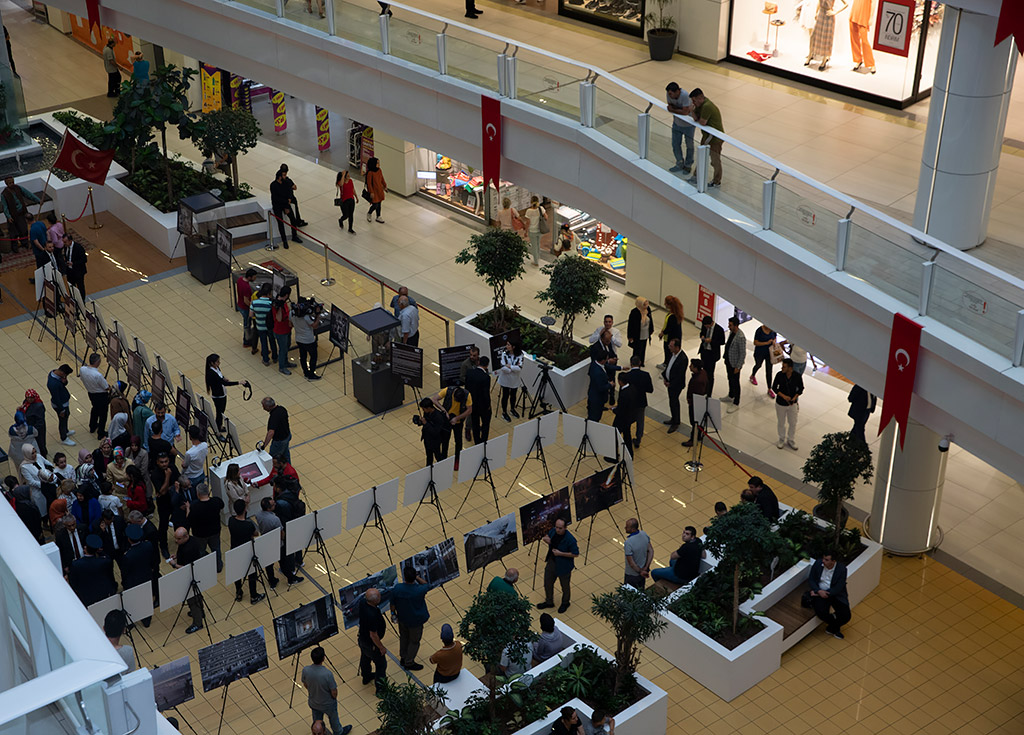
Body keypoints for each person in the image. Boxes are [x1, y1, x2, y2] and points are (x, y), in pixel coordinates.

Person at [301, 647, 353, 735]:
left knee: (317, 719)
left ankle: (318, 732)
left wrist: (313, 691)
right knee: (334, 720)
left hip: (314, 702)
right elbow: (334, 692)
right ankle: (339, 732)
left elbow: (305, 684)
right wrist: (333, 698)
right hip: (328, 704)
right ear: (323, 658)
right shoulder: (327, 674)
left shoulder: (306, 670)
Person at [392, 565, 430, 671]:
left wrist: (393, 614)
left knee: (404, 638)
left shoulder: (397, 588)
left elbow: (392, 603)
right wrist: (417, 577)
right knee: (414, 641)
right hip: (416, 621)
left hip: (402, 619)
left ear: (404, 577)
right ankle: (409, 662)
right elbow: (427, 584)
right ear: (414, 577)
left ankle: (403, 657)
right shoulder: (419, 590)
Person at [228, 499, 265, 604]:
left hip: (235, 550)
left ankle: (239, 593)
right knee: (252, 573)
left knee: (237, 574)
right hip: (247, 551)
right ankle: (253, 596)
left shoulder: (231, 521)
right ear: (245, 509)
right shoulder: (248, 525)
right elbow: (255, 533)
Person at [169, 527, 206, 634]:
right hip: (195, 574)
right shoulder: (192, 540)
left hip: (189, 577)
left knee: (192, 600)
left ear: (186, 536)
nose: (176, 541)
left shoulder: (188, 549)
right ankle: (201, 612)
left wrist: (174, 564)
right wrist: (177, 556)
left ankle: (197, 623)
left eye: (179, 539)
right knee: (198, 596)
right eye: (176, 538)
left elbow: (187, 567)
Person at [537, 518, 579, 613]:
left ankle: (565, 602)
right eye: (556, 527)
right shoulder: (553, 531)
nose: (558, 530)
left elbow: (575, 554)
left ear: (565, 528)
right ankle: (549, 601)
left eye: (560, 528)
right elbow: (548, 536)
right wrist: (547, 539)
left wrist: (560, 553)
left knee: (565, 586)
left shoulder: (570, 539)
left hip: (564, 565)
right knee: (547, 582)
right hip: (552, 561)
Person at [807, 551, 851, 639]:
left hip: (835, 594)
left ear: (833, 561)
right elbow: (811, 579)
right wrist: (818, 591)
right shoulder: (818, 564)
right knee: (821, 612)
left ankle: (832, 627)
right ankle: (835, 627)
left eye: (826, 560)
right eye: (823, 558)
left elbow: (839, 586)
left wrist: (827, 593)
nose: (823, 561)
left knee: (846, 616)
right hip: (819, 593)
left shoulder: (842, 569)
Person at [68, 534, 117, 606]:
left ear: (85, 548)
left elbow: (73, 584)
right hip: (104, 594)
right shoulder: (105, 561)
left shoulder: (76, 565)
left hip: (86, 597)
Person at [689, 88, 724, 187]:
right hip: (707, 137)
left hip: (715, 139)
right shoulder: (700, 106)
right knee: (701, 155)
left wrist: (694, 114)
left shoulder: (707, 106)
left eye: (694, 101)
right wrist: (692, 112)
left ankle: (717, 181)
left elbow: (702, 122)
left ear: (700, 98)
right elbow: (696, 118)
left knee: (715, 160)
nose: (693, 103)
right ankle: (696, 176)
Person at [205, 353, 247, 434]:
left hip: (222, 393)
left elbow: (220, 377)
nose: (219, 363)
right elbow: (224, 383)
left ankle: (218, 424)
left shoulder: (216, 368)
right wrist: (239, 382)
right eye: (217, 362)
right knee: (220, 412)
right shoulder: (211, 373)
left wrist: (224, 378)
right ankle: (218, 427)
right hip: (218, 396)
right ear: (211, 363)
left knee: (221, 411)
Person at [187, 484, 225, 572]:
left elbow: (189, 520)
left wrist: (188, 509)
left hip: (200, 534)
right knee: (216, 549)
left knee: (201, 551)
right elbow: (222, 505)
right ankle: (218, 567)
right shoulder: (216, 501)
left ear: (198, 494)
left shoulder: (194, 506)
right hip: (215, 531)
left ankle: (203, 569)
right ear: (208, 492)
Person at [150, 453, 180, 559]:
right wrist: (167, 478)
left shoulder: (172, 467)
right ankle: (163, 546)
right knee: (163, 525)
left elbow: (178, 481)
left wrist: (167, 488)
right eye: (162, 462)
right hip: (164, 503)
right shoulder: (155, 474)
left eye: (166, 461)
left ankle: (180, 538)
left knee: (178, 520)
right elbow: (162, 492)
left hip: (175, 501)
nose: (164, 464)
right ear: (157, 462)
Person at [357, 588, 387, 688]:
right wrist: (381, 647)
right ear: (375, 600)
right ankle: (380, 689)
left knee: (365, 658)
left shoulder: (362, 603)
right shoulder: (372, 615)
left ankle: (366, 676)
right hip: (371, 644)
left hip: (362, 638)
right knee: (381, 665)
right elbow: (373, 635)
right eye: (379, 596)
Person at [772, 358, 804, 450]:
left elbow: (801, 388)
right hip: (781, 403)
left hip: (792, 404)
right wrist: (783, 396)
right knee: (781, 422)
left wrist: (794, 397)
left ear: (790, 368)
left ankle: (791, 439)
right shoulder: (779, 375)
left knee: (793, 422)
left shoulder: (797, 376)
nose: (782, 368)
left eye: (784, 367)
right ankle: (781, 439)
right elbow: (774, 387)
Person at [2, 176, 38, 253]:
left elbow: (28, 194)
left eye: (12, 182)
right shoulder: (4, 194)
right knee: (13, 233)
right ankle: (15, 248)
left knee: (24, 230)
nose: (11, 184)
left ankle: (25, 244)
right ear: (6, 184)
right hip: (12, 216)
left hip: (22, 214)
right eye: (9, 183)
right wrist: (8, 216)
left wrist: (38, 200)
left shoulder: (18, 188)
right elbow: (5, 207)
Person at [624, 356, 653, 449]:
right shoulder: (646, 375)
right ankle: (638, 439)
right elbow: (650, 389)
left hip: (630, 403)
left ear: (631, 363)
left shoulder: (627, 376)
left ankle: (626, 438)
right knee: (640, 421)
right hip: (641, 401)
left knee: (627, 419)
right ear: (640, 363)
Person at [665, 81, 694, 174]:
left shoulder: (685, 95)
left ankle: (688, 165)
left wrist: (674, 110)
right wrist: (679, 110)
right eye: (669, 94)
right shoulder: (668, 94)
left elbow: (685, 112)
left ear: (678, 91)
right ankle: (679, 163)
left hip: (689, 126)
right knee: (675, 144)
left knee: (689, 145)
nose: (670, 96)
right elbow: (670, 107)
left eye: (671, 94)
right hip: (676, 123)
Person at [79, 353, 110, 439]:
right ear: (97, 362)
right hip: (101, 396)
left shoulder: (83, 369)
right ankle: (101, 433)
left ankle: (92, 426)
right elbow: (106, 387)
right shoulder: (98, 375)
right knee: (103, 414)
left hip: (91, 394)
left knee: (95, 409)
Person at [270, 168, 302, 247]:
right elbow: (276, 198)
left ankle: (294, 236)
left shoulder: (285, 183)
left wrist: (288, 203)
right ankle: (284, 240)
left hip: (286, 205)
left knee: (293, 219)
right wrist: (286, 203)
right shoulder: (273, 185)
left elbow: (289, 192)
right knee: (280, 223)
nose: (285, 176)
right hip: (278, 206)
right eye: (283, 175)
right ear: (279, 177)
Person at [681, 358, 708, 448]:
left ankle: (693, 439)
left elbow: (696, 394)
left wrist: (690, 401)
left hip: (695, 403)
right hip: (699, 401)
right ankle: (698, 435)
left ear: (696, 368)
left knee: (694, 422)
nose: (689, 367)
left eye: (691, 366)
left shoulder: (698, 380)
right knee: (698, 422)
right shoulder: (703, 373)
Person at [661, 339, 687, 433]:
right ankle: (674, 418)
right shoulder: (672, 354)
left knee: (674, 402)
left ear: (677, 347)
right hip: (670, 382)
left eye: (671, 346)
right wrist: (665, 377)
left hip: (676, 385)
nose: (669, 347)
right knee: (672, 402)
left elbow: (680, 375)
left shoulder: (682, 359)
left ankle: (676, 422)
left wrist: (670, 383)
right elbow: (669, 367)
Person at [464, 355, 491, 445]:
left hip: (473, 404)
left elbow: (466, 388)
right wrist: (488, 406)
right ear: (487, 365)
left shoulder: (469, 373)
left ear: (478, 362)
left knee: (475, 424)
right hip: (483, 406)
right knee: (485, 424)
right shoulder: (486, 377)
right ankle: (483, 441)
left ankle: (477, 442)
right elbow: (485, 394)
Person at [722, 316, 746, 414]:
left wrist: (738, 366)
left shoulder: (740, 337)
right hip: (729, 361)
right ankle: (731, 395)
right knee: (730, 378)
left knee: (736, 382)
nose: (729, 326)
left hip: (735, 363)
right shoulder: (732, 333)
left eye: (730, 325)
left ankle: (736, 402)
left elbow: (742, 353)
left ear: (736, 325)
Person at [416, 397, 450, 466]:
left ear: (429, 408)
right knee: (429, 456)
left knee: (438, 456)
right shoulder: (427, 413)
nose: (423, 410)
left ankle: (441, 467)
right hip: (427, 438)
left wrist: (425, 423)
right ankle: (428, 469)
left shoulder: (438, 417)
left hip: (435, 440)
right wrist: (420, 422)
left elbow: (435, 431)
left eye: (424, 409)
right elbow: (426, 422)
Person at [623, 517, 654, 590]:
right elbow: (651, 551)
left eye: (627, 527)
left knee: (629, 594)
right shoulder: (644, 534)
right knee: (641, 590)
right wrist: (646, 568)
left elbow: (631, 563)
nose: (625, 528)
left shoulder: (628, 543)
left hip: (632, 574)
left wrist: (640, 571)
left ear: (633, 529)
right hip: (643, 572)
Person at [698, 316, 726, 396]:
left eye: (707, 326)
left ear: (711, 323)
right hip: (704, 351)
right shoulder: (704, 327)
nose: (706, 327)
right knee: (703, 371)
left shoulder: (719, 329)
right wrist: (702, 336)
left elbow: (722, 342)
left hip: (712, 354)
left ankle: (709, 392)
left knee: (710, 374)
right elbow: (701, 333)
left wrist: (711, 341)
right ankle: (703, 389)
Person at [612, 373, 638, 457]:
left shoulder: (624, 394)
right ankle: (630, 454)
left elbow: (621, 410)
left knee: (614, 434)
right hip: (629, 417)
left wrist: (614, 409)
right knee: (627, 435)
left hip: (622, 419)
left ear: (620, 381)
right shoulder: (632, 388)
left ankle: (614, 455)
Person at [497, 340, 523, 422]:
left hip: (514, 380)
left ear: (513, 347)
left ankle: (512, 409)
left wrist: (510, 367)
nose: (506, 346)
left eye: (508, 345)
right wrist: (511, 369)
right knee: (505, 396)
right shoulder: (504, 354)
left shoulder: (520, 355)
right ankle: (504, 412)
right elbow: (503, 367)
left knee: (513, 395)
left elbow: (519, 368)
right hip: (505, 379)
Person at [272, 285, 296, 375]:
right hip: (280, 331)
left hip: (287, 328)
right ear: (286, 295)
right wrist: (279, 308)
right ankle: (282, 367)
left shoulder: (283, 302)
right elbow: (279, 318)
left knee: (287, 346)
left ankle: (286, 362)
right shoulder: (277, 304)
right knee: (283, 349)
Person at [749, 323, 777, 397]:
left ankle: (769, 388)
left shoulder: (773, 331)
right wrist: (766, 343)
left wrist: (774, 342)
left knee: (769, 370)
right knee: (758, 365)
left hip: (769, 354)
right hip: (759, 353)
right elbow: (755, 342)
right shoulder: (759, 330)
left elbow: (774, 338)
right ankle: (752, 375)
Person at [262, 397, 292, 464]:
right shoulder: (282, 409)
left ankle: (274, 472)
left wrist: (264, 445)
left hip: (279, 441)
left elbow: (271, 432)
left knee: (273, 458)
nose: (263, 408)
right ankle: (289, 469)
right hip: (287, 436)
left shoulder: (274, 417)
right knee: (285, 454)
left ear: (268, 406)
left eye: (264, 406)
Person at [658, 295, 685, 368]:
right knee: (668, 352)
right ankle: (666, 363)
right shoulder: (675, 314)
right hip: (672, 336)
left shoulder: (673, 316)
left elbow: (669, 328)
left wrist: (662, 333)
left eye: (666, 303)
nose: (665, 305)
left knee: (669, 352)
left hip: (671, 337)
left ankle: (667, 367)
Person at [587, 347, 611, 423]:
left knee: (592, 415)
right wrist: (610, 385)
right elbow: (601, 388)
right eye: (606, 359)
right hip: (597, 399)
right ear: (603, 360)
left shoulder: (594, 364)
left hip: (593, 395)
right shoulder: (598, 373)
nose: (607, 360)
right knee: (595, 418)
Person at [626, 297, 653, 367]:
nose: (646, 307)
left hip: (645, 334)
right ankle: (635, 363)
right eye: (644, 305)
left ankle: (641, 362)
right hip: (637, 335)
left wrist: (651, 330)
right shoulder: (634, 312)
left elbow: (651, 320)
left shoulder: (648, 310)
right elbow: (630, 325)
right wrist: (630, 336)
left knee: (643, 348)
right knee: (637, 349)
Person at [21, 389, 47, 458]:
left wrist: (33, 430)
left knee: (40, 443)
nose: (30, 399)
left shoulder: (38, 406)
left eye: (31, 398)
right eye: (28, 398)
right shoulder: (26, 403)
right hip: (30, 426)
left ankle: (44, 456)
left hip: (38, 428)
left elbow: (40, 420)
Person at [63, 231, 88, 300]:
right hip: (70, 271)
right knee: (71, 286)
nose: (64, 244)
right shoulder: (66, 247)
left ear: (70, 241)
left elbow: (84, 260)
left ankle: (82, 302)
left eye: (65, 242)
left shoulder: (78, 248)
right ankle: (73, 300)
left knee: (80, 287)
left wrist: (73, 263)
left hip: (78, 271)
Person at [522, 196, 547, 266]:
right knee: (538, 244)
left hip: (532, 231)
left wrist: (526, 231)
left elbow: (528, 223)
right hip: (539, 230)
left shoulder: (529, 211)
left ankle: (536, 262)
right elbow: (546, 217)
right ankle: (538, 257)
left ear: (531, 202)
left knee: (534, 246)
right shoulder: (541, 209)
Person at [236, 269, 256, 349]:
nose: (255, 278)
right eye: (254, 277)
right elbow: (246, 301)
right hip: (245, 308)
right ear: (250, 277)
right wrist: (253, 308)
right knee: (247, 325)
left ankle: (247, 340)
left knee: (246, 324)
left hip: (239, 305)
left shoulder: (240, 279)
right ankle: (246, 341)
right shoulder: (247, 287)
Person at [364, 157, 387, 223]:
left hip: (379, 190)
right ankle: (369, 213)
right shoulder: (370, 173)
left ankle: (378, 216)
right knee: (375, 204)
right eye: (377, 163)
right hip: (374, 191)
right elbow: (369, 183)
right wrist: (371, 192)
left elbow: (382, 178)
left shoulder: (379, 170)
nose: (379, 164)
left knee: (379, 203)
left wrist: (385, 185)